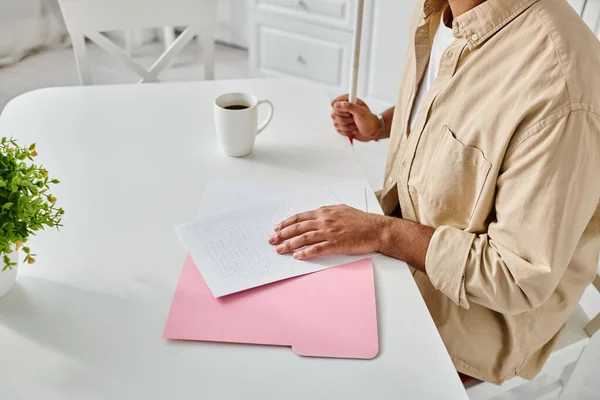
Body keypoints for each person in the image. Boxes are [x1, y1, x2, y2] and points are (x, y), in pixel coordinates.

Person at [268, 0, 600, 385]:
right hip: (404, 233)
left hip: (482, 317)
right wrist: (381, 125)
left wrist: (383, 233)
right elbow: (453, 105)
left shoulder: (561, 83)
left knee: (315, 375)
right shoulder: (436, 12)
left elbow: (516, 277)